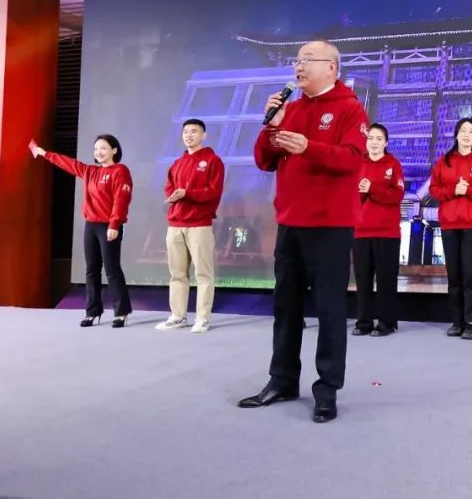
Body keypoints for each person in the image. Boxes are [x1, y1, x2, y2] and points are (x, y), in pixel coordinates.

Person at [237, 40, 369, 424]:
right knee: (286, 306)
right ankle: (282, 380)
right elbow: (264, 161)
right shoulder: (290, 108)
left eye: (308, 60)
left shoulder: (350, 108)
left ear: (331, 67)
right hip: (290, 222)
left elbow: (353, 160)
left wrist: (309, 147)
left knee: (329, 310)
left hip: (330, 225)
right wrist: (272, 126)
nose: (299, 66)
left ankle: (327, 390)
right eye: (297, 60)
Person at [29, 135, 133, 328]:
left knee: (111, 269)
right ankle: (93, 312)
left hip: (109, 225)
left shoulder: (120, 171)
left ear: (114, 150)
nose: (99, 152)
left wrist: (114, 224)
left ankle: (121, 312)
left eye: (103, 148)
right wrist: (44, 153)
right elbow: (68, 163)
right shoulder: (90, 171)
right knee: (91, 270)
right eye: (96, 149)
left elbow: (121, 199)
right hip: (91, 225)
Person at [155, 119, 225, 334]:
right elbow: (169, 188)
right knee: (177, 274)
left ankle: (202, 318)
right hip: (175, 224)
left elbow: (214, 192)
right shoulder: (177, 163)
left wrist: (187, 193)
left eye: (194, 131)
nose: (189, 135)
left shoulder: (213, 161)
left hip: (199, 224)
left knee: (203, 274)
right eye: (185, 132)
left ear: (204, 135)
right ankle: (178, 316)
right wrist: (174, 195)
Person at [428, 118, 472, 339]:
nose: (467, 135)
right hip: (449, 224)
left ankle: (471, 322)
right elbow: (434, 190)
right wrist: (453, 191)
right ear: (456, 134)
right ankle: (456, 321)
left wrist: (468, 191)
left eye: (471, 131)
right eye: (463, 130)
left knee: (471, 275)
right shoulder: (443, 162)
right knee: (454, 275)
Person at [352, 123, 405, 337]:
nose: (374, 142)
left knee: (386, 279)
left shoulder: (393, 164)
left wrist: (372, 188)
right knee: (363, 280)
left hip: (387, 232)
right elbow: (349, 198)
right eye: (371, 138)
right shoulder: (357, 164)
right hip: (361, 231)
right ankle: (363, 322)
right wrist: (360, 192)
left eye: (379, 139)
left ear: (386, 142)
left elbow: (397, 196)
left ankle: (386, 322)